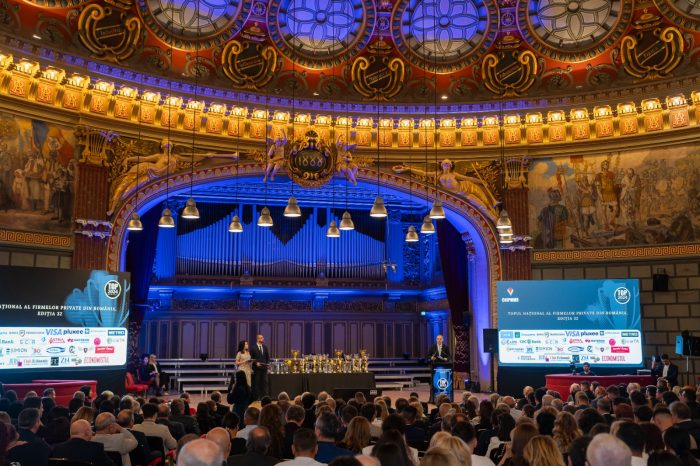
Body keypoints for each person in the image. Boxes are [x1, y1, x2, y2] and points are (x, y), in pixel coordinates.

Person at [250, 334, 271, 399]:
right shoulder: (253, 348)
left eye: (262, 338)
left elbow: (267, 357)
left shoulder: (265, 347)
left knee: (265, 382)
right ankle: (257, 397)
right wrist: (256, 363)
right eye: (261, 338)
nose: (262, 339)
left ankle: (265, 396)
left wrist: (268, 364)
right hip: (256, 369)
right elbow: (251, 358)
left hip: (264, 368)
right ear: (257, 339)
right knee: (257, 383)